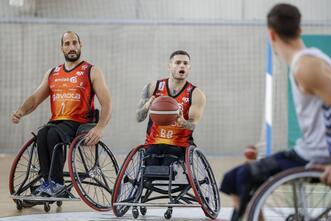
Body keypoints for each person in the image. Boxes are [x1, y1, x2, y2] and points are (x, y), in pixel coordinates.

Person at [220, 3, 331, 221]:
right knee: (233, 178)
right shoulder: (308, 61)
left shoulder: (306, 67)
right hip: (312, 149)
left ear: (271, 34)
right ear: (299, 30)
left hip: (324, 154)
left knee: (243, 177)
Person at [11, 31, 112, 197]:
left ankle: (57, 184)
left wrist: (100, 127)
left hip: (80, 123)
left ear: (80, 45)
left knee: (53, 135)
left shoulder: (91, 71)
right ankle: (47, 182)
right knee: (43, 133)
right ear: (62, 48)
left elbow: (107, 102)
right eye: (67, 44)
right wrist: (21, 111)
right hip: (57, 122)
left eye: (74, 43)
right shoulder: (53, 73)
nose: (71, 47)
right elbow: (36, 98)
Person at [136, 50, 206, 166]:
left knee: (168, 166)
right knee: (149, 168)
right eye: (178, 62)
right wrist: (147, 106)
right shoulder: (153, 87)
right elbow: (139, 117)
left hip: (179, 144)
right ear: (169, 66)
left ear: (189, 67)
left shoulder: (196, 94)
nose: (182, 65)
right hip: (154, 142)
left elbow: (193, 124)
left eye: (185, 63)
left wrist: (183, 122)